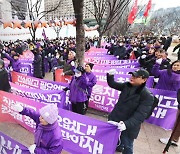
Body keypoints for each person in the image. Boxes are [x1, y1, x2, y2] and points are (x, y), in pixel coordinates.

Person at [107, 68, 154, 154]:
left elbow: (140, 115)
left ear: (144, 80)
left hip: (129, 125)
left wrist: (126, 124)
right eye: (132, 75)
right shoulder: (127, 85)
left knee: (127, 145)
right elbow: (113, 84)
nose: (132, 77)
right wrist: (110, 76)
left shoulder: (147, 95)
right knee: (115, 139)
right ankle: (119, 147)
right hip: (116, 118)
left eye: (136, 77)